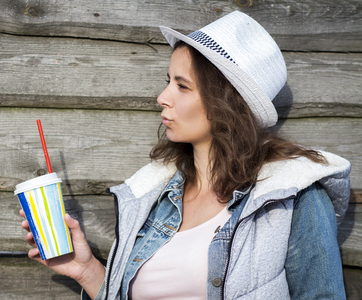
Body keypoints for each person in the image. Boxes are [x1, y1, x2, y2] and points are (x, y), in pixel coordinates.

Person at [20, 11, 350, 299]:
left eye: (182, 85)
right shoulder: (155, 197)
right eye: (168, 82)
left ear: (226, 102)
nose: (162, 97)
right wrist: (86, 270)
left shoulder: (293, 195)